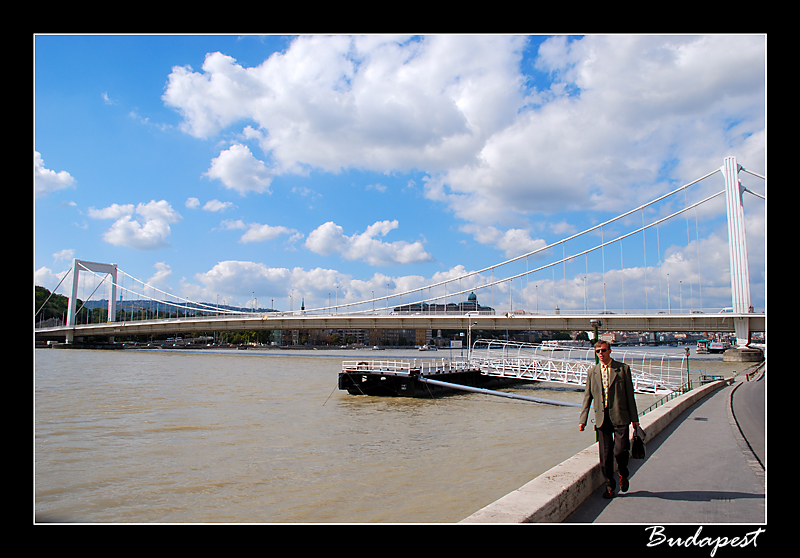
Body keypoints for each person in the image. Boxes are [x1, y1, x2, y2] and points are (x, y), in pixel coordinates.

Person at [579, 340, 640, 499]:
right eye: (598, 351)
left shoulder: (623, 369)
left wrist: (635, 419)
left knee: (621, 451)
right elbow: (588, 397)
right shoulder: (592, 372)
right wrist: (583, 419)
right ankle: (610, 486)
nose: (601, 353)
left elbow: (629, 396)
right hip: (602, 418)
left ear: (610, 351)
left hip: (621, 416)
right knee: (605, 458)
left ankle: (623, 472)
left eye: (603, 350)